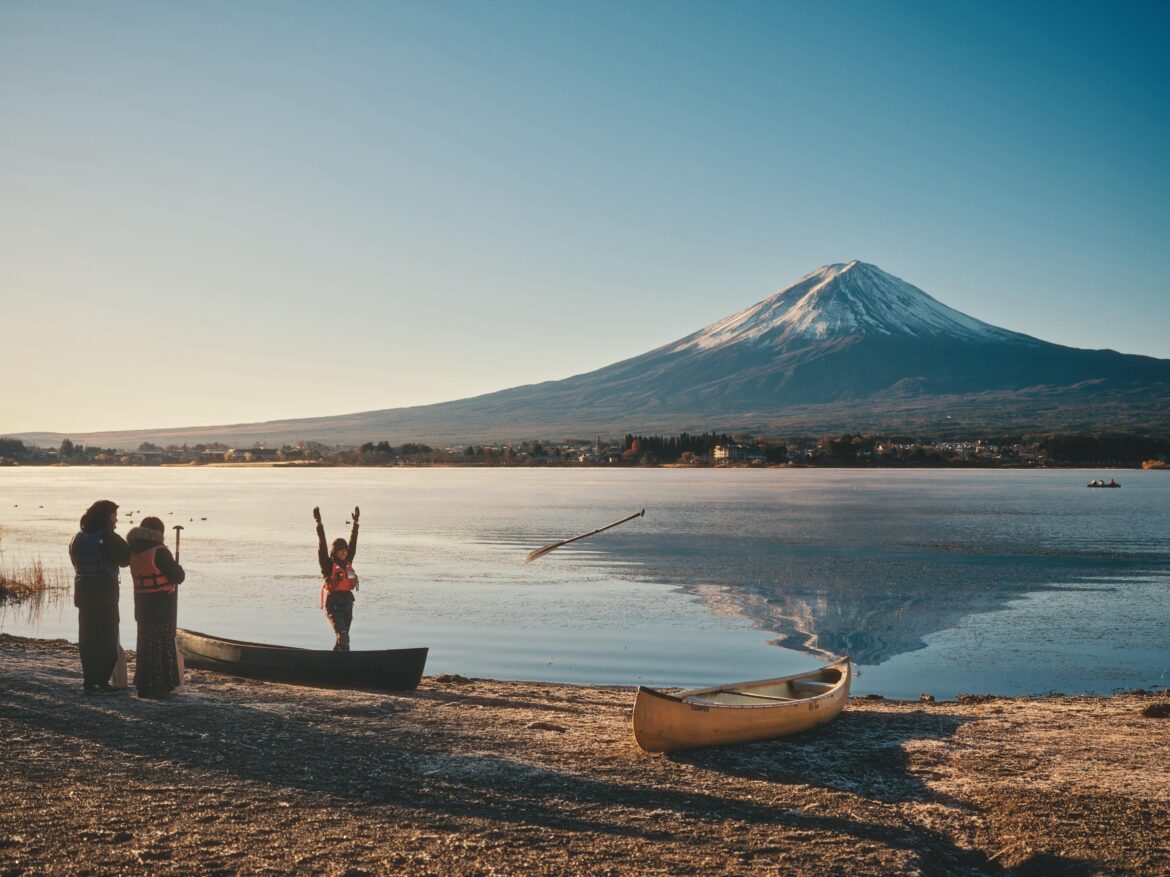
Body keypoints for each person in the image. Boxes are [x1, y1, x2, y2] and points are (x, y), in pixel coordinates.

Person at [68, 500, 131, 694]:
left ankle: (89, 680)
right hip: (104, 591)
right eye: (114, 515)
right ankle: (102, 681)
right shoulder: (108, 537)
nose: (116, 518)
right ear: (106, 516)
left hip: (83, 590)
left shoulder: (78, 537)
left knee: (87, 636)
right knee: (107, 635)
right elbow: (125, 560)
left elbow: (74, 560)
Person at [127, 516, 186, 699]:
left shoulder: (134, 551)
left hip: (142, 605)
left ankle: (145, 684)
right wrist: (179, 567)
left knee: (145, 645)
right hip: (161, 605)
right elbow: (178, 576)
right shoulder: (159, 552)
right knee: (162, 646)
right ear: (159, 533)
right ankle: (161, 685)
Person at [314, 505, 360, 650]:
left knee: (344, 640)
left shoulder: (347, 562)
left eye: (345, 550)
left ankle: (337, 662)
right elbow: (322, 547)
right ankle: (342, 662)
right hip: (334, 606)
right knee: (343, 635)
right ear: (335, 551)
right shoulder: (328, 566)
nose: (344, 552)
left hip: (347, 603)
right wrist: (319, 524)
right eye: (341, 550)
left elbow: (353, 544)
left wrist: (356, 524)